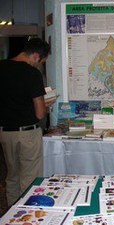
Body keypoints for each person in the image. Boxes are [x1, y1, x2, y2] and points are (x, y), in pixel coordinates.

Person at [0, 37, 52, 207]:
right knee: (30, 180)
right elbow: (39, 113)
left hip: (5, 132)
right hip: (28, 134)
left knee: (12, 177)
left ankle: (11, 214)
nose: (39, 65)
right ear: (36, 56)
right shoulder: (32, 74)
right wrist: (46, 106)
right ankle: (26, 215)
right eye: (42, 62)